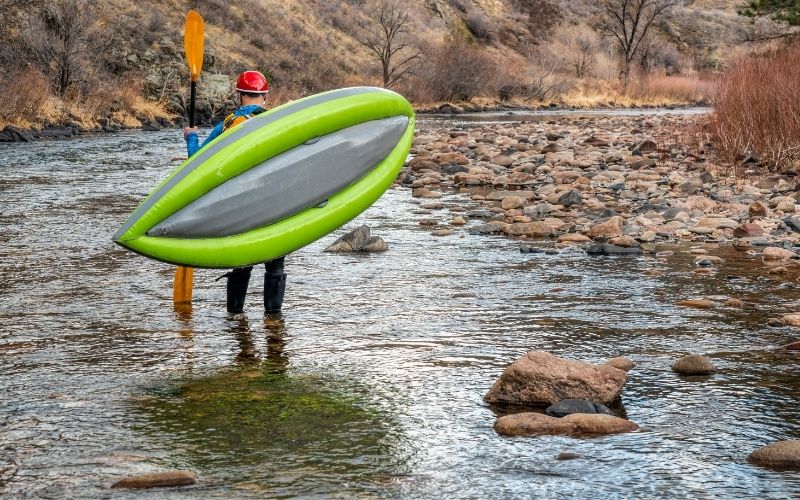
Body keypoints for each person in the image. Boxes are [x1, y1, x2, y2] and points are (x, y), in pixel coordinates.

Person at [183, 70, 287, 315]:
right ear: (265, 97)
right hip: (275, 202)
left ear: (239, 95)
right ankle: (274, 319)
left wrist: (191, 137)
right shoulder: (280, 122)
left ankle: (235, 319)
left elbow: (197, 161)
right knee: (276, 265)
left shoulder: (228, 124)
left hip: (242, 204)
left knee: (242, 262)